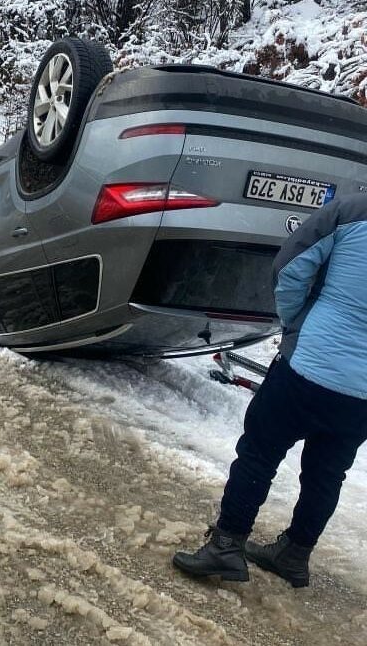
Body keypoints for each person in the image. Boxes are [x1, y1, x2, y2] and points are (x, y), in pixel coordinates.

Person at [173, 193, 367, 588]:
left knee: (260, 451)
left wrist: (293, 324)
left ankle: (226, 545)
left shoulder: (352, 210)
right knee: (328, 472)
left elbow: (290, 266)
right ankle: (294, 554)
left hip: (309, 363)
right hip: (361, 395)